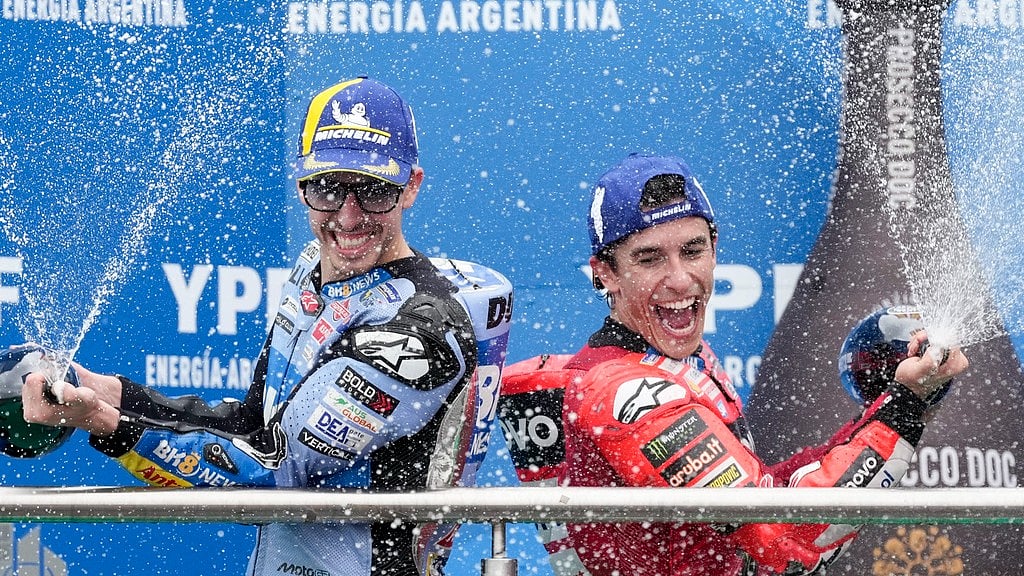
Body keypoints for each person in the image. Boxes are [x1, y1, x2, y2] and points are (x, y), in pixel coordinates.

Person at [19, 77, 513, 576]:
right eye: (328, 187)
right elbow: (256, 429)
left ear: (411, 187)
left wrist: (106, 425)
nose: (348, 215)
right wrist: (113, 394)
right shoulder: (310, 271)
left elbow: (273, 476)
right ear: (301, 187)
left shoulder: (417, 332)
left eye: (373, 190)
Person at [500, 153, 966, 576]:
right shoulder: (626, 394)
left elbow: (766, 494)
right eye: (649, 258)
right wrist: (902, 411)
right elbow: (788, 542)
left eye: (693, 250)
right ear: (606, 274)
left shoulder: (682, 355)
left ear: (715, 249)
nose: (680, 280)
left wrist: (895, 405)